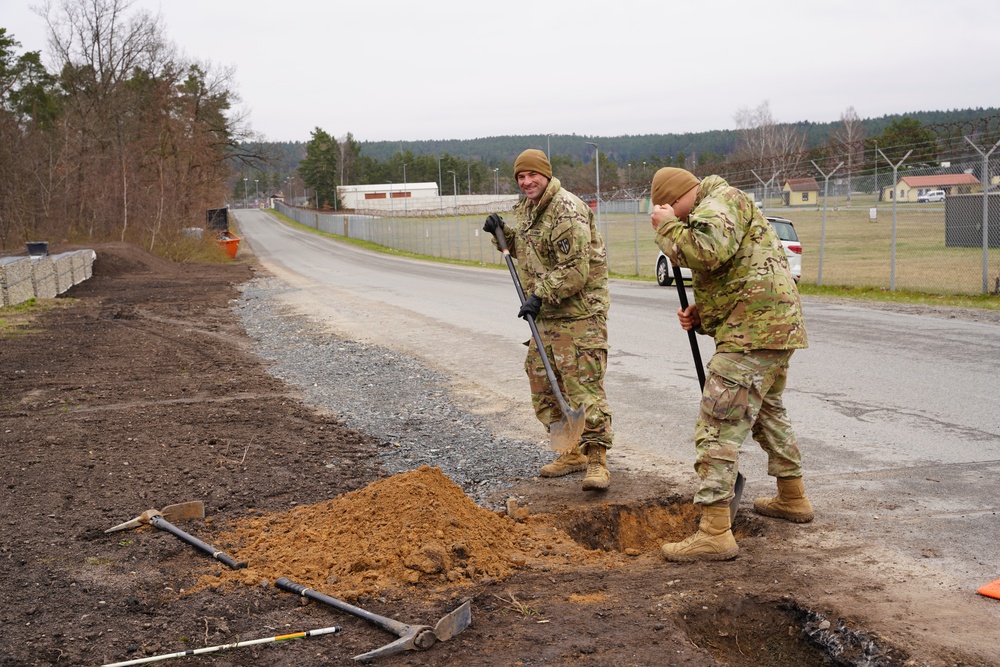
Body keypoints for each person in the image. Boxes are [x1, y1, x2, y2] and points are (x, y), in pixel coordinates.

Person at [649, 167, 813, 562]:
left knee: (717, 427)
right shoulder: (725, 204)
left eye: (674, 208)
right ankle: (793, 497)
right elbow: (738, 272)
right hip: (771, 329)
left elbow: (706, 251)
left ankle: (715, 532)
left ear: (678, 197)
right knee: (766, 413)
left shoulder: (717, 203)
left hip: (752, 336)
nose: (680, 218)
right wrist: (702, 314)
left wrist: (668, 228)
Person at [483, 149, 613, 491]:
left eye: (532, 175)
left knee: (582, 389)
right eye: (520, 177)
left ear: (546, 174)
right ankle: (570, 454)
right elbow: (530, 250)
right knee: (543, 385)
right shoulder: (529, 209)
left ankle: (597, 460)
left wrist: (538, 296)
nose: (526, 182)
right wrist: (503, 235)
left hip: (578, 316)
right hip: (546, 316)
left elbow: (575, 271)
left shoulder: (566, 210)